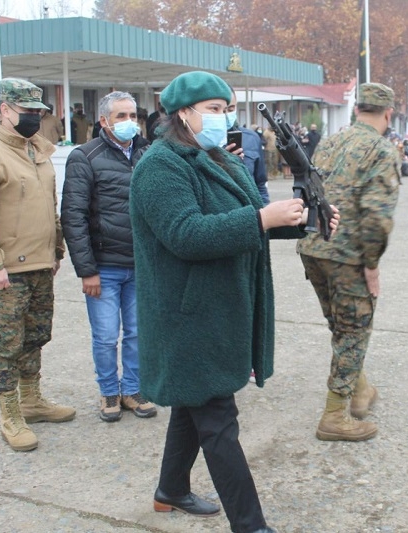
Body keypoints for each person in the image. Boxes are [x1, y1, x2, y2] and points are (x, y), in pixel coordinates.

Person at [130, 71, 336, 533]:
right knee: (218, 420)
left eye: (227, 109)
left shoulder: (218, 158)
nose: (225, 118)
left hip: (216, 307)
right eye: (215, 110)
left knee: (195, 400)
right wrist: (263, 217)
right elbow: (186, 234)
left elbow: (244, 217)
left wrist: (303, 219)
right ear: (184, 113)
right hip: (187, 315)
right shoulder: (159, 166)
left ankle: (170, 489)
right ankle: (251, 525)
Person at [0, 78, 75, 452]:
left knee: (35, 336)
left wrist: (56, 250)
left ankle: (32, 400)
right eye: (26, 113)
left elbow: (48, 207)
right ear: (4, 110)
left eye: (38, 113)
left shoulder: (38, 150)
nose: (34, 119)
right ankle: (10, 414)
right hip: (3, 271)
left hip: (38, 264)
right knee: (6, 344)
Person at [297, 82, 400, 442]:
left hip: (313, 246)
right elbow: (377, 215)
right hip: (347, 254)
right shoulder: (382, 150)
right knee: (353, 331)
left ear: (357, 110)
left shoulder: (330, 141)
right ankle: (334, 415)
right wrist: (371, 264)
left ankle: (360, 391)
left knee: (340, 327)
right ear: (388, 114)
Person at [61, 91, 155, 423]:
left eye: (133, 116)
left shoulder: (149, 153)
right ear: (104, 121)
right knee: (105, 336)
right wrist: (87, 270)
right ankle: (109, 392)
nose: (130, 123)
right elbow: (73, 217)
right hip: (104, 267)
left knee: (137, 332)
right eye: (121, 117)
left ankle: (132, 389)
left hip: (140, 265)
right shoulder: (84, 157)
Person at [226, 89, 270, 205]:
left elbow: (260, 183)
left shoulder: (251, 138)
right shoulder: (202, 141)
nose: (225, 114)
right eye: (217, 109)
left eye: (230, 109)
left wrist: (265, 210)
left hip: (253, 212)